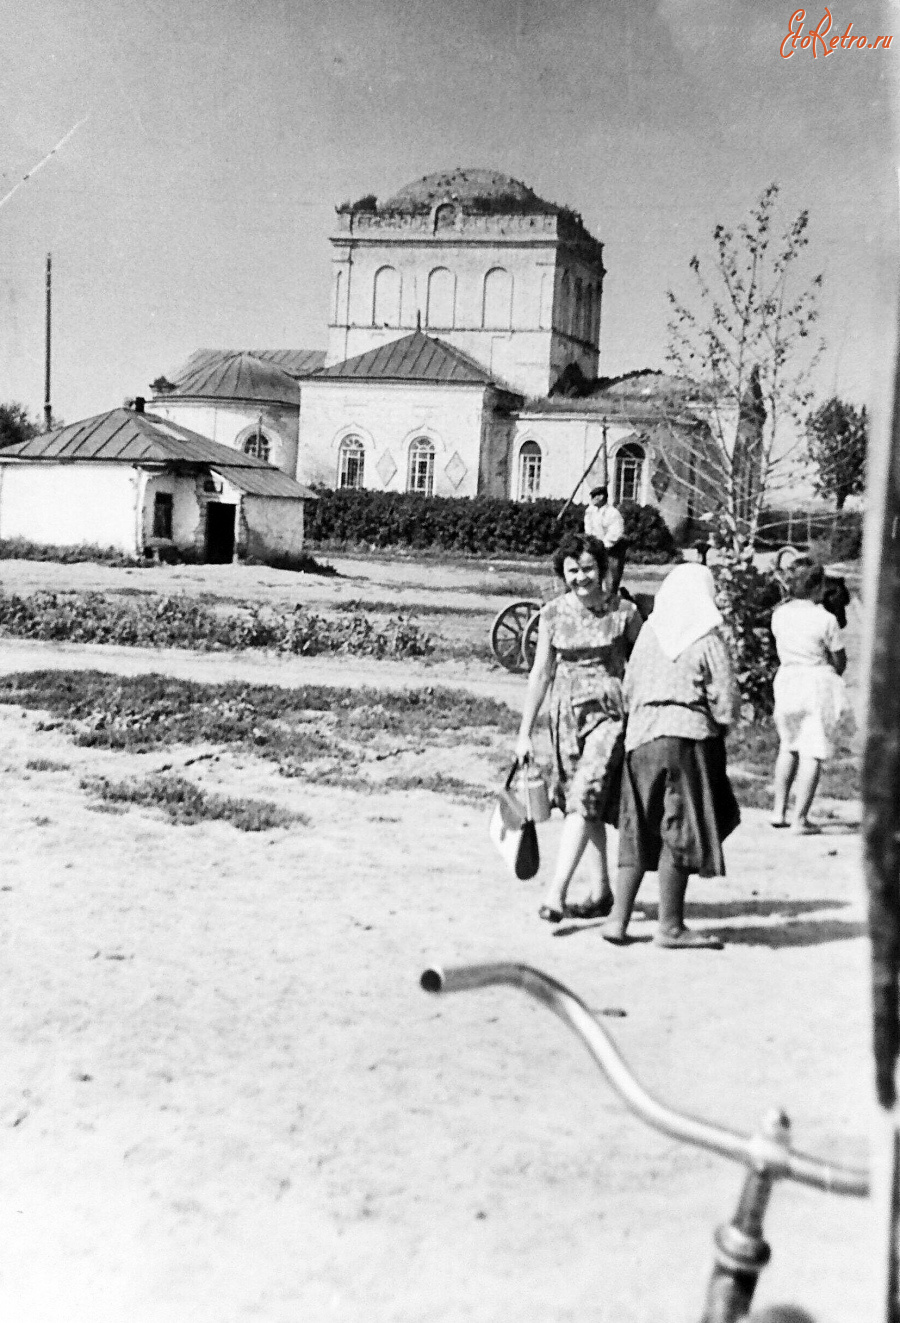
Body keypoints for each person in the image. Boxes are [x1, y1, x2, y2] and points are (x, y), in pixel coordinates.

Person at [602, 563, 741, 949]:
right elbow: (725, 699)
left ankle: (618, 919)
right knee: (679, 829)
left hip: (641, 740)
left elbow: (629, 687)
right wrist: (724, 726)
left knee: (638, 825)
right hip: (688, 741)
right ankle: (670, 926)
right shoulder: (707, 639)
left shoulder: (649, 633)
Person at [515, 533, 642, 923]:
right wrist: (524, 731)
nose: (581, 578)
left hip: (610, 716)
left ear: (603, 569)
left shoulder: (625, 612)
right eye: (573, 571)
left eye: (588, 569)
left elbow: (643, 665)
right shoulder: (552, 614)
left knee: (584, 796)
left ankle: (556, 893)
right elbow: (540, 673)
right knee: (583, 803)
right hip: (565, 717)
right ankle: (601, 892)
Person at [770, 557, 848, 834]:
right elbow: (839, 659)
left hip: (787, 679)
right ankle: (800, 818)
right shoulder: (826, 619)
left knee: (788, 745)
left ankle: (778, 809)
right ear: (818, 587)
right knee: (812, 751)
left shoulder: (779, 614)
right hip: (814, 682)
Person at [584, 486, 627, 590]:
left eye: (594, 496)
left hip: (612, 551)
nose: (592, 499)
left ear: (601, 497)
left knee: (611, 582)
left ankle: (611, 601)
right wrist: (593, 544)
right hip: (596, 549)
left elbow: (615, 534)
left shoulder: (613, 513)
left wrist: (603, 546)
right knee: (594, 578)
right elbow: (588, 529)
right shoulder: (590, 511)